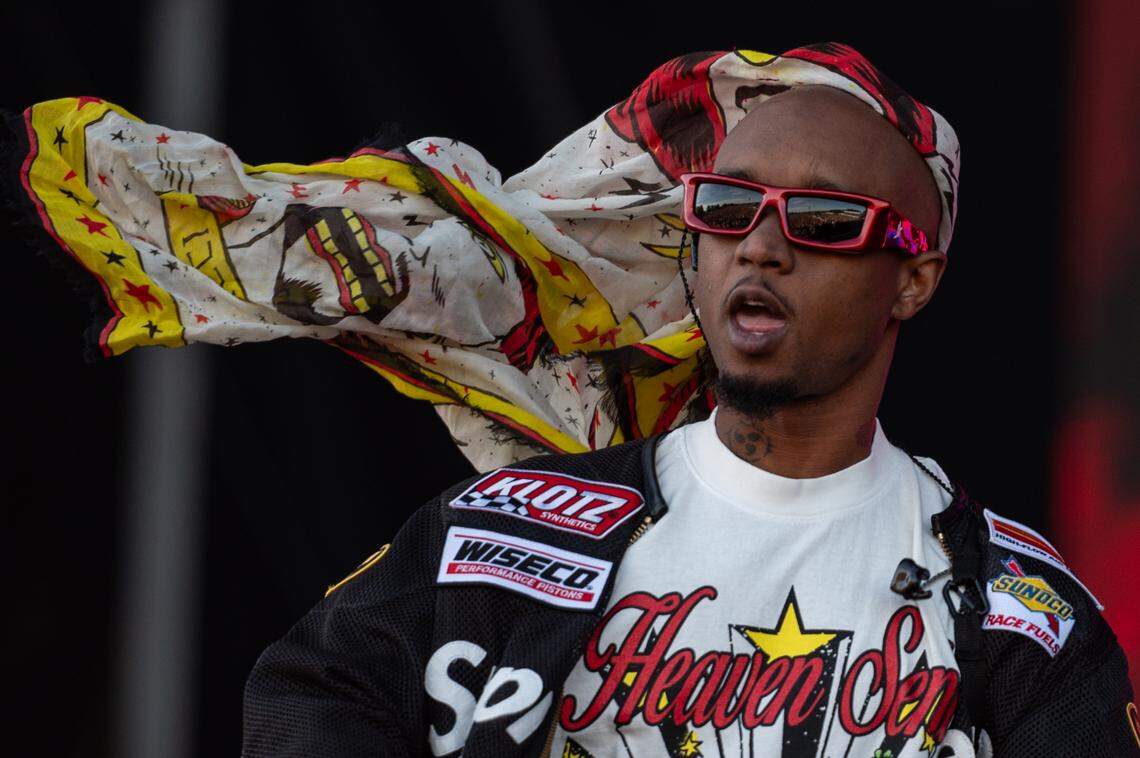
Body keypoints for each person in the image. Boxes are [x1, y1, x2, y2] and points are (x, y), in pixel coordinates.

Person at [5, 43, 1136, 757]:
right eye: (730, 205)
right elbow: (307, 692)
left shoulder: (1015, 605)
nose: (764, 247)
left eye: (825, 221)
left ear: (916, 276)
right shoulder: (508, 531)